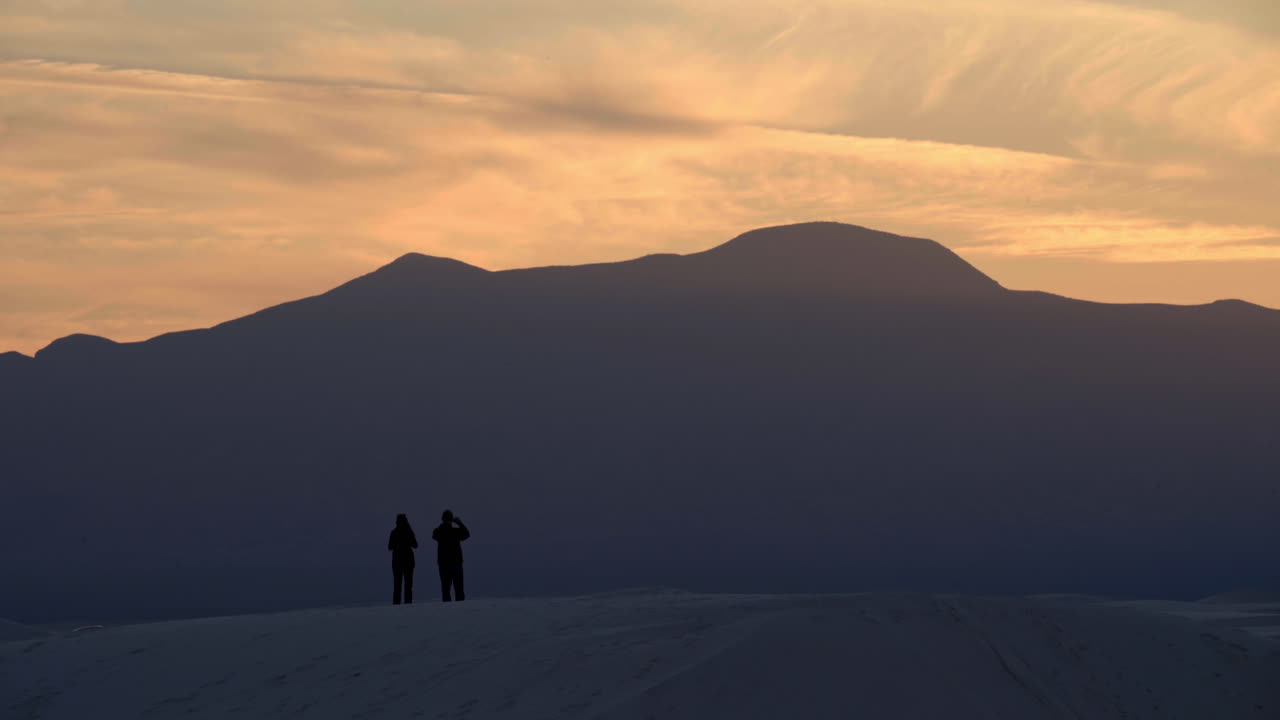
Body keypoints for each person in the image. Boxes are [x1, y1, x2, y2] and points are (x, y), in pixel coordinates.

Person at [432, 510, 470, 601]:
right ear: (451, 519)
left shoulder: (438, 531)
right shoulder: (455, 532)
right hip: (456, 563)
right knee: (459, 590)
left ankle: (446, 612)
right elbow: (466, 534)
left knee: (445, 590)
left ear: (442, 519)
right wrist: (460, 523)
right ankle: (461, 612)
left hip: (443, 564)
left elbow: (434, 535)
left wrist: (444, 524)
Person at [387, 513, 418, 604]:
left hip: (397, 562)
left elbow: (389, 547)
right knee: (408, 586)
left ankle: (396, 606)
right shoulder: (409, 532)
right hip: (408, 562)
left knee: (397, 587)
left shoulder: (394, 532)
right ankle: (408, 605)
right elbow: (415, 545)